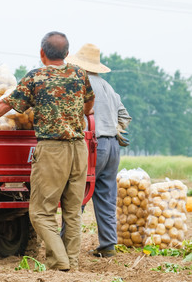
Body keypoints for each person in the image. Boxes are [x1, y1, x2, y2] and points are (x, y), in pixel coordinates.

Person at [0, 31, 95, 271]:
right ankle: (71, 262)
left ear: (42, 54)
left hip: (53, 150)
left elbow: (5, 105)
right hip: (78, 148)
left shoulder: (36, 77)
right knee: (72, 211)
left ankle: (59, 261)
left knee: (41, 212)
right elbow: (89, 105)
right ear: (67, 54)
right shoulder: (79, 74)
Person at [66, 43, 131, 258]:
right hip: (112, 145)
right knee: (106, 195)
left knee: (78, 193)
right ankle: (108, 245)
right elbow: (125, 116)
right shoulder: (107, 87)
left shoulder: (77, 83)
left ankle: (67, 243)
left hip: (92, 145)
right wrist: (116, 129)